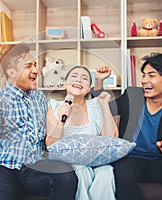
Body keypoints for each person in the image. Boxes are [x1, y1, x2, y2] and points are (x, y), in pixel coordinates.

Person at [0, 43, 78, 200]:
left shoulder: (40, 98)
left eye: (35, 65)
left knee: (66, 174)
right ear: (11, 72)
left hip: (34, 166)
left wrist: (60, 122)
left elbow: (49, 141)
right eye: (28, 66)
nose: (36, 70)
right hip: (1, 166)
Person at [92, 53, 162, 200]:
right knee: (122, 166)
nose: (144, 81)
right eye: (143, 75)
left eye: (151, 75)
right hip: (131, 160)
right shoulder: (132, 96)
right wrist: (98, 81)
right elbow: (101, 107)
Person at [45, 65, 119, 200]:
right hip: (68, 162)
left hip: (95, 159)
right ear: (65, 84)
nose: (78, 80)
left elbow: (112, 139)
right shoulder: (55, 106)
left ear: (88, 89)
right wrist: (61, 121)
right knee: (81, 170)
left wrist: (104, 106)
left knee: (106, 172)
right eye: (74, 76)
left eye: (84, 78)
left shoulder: (96, 106)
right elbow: (50, 145)